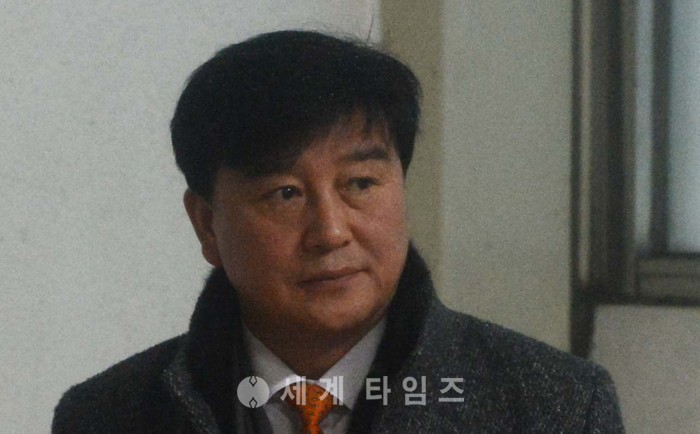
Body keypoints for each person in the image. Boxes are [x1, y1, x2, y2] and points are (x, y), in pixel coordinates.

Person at [52, 30, 624, 433]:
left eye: (360, 184)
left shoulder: (555, 408)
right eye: (285, 194)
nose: (329, 232)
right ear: (207, 225)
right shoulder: (107, 416)